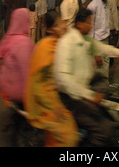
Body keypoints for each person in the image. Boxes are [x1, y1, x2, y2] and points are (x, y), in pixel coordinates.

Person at [54, 8, 119, 147]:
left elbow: (102, 48)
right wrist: (89, 95)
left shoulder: (85, 39)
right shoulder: (67, 42)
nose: (91, 26)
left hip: (84, 91)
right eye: (89, 23)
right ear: (80, 24)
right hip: (71, 98)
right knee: (102, 130)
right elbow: (63, 79)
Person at [24, 11, 79, 147]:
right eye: (58, 25)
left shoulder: (61, 44)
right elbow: (37, 83)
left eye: (63, 22)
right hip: (46, 101)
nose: (63, 27)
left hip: (58, 96)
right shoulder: (45, 47)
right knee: (68, 137)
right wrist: (53, 107)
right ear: (50, 29)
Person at [0, 8, 35, 105]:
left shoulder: (10, 37)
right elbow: (26, 72)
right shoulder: (23, 43)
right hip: (20, 92)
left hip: (8, 88)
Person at [87, 0, 119, 78]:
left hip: (105, 38)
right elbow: (89, 29)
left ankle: (105, 85)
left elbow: (112, 15)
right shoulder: (93, 5)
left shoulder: (109, 2)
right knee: (97, 68)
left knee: (106, 64)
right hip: (96, 41)